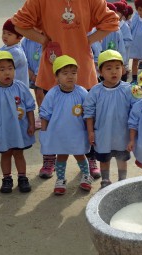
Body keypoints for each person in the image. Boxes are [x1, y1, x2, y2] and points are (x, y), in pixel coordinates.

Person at [12, 0, 119, 179]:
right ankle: (49, 157)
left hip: (82, 70)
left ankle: (90, 157)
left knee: (88, 118)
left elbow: (112, 22)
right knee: (50, 116)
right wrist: (43, 40)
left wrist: (89, 40)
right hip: (52, 67)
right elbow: (19, 23)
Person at [83, 50, 141, 189]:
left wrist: (134, 134)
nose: (114, 72)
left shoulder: (130, 90)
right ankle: (105, 180)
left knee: (122, 159)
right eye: (108, 68)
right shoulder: (95, 91)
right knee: (104, 159)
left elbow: (138, 111)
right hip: (103, 134)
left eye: (117, 67)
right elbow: (88, 113)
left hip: (123, 134)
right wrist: (90, 132)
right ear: (100, 71)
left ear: (123, 69)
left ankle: (122, 181)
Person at [0, 51, 35, 193]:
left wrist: (31, 124)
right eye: (2, 69)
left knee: (19, 153)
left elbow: (29, 107)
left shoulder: (21, 87)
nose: (7, 73)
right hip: (1, 130)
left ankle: (22, 178)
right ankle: (7, 179)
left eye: (10, 68)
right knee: (5, 154)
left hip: (19, 129)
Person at [39, 55, 93, 195]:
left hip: (78, 133)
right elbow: (45, 114)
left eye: (73, 73)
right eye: (65, 73)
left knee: (80, 155)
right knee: (61, 156)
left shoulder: (82, 92)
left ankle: (86, 176)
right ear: (56, 77)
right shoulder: (52, 94)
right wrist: (44, 133)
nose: (70, 76)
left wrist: (90, 130)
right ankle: (61, 179)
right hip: (59, 134)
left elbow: (88, 113)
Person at [0, 19, 29, 88]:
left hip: (16, 89)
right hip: (7, 86)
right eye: (4, 33)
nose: (5, 36)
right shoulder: (5, 47)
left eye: (9, 34)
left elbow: (1, 65)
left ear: (19, 38)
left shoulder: (16, 52)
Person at [21, 37, 44, 129]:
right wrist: (30, 73)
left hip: (45, 73)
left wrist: (40, 73)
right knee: (38, 93)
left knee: (44, 93)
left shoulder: (47, 37)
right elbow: (23, 59)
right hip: (32, 72)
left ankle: (46, 114)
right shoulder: (26, 40)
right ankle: (41, 114)